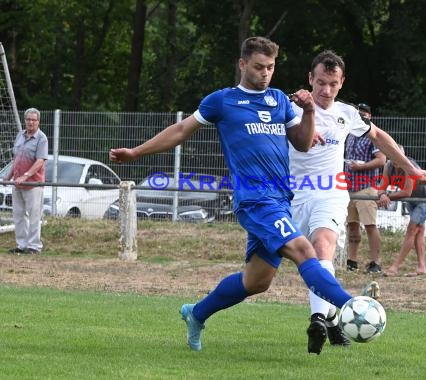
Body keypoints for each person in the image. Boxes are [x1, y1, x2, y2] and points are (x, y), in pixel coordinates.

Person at [109, 36, 358, 353]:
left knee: (257, 281)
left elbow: (303, 143)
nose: (265, 73)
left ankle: (196, 314)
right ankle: (351, 306)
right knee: (305, 251)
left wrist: (308, 111)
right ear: (242, 65)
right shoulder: (222, 101)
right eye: (258, 67)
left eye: (270, 67)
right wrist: (136, 152)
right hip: (255, 200)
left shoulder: (280, 101)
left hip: (281, 199)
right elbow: (181, 130)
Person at [288, 50, 426, 355]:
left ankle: (318, 318)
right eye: (320, 83)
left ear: (341, 83)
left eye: (332, 84)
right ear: (310, 79)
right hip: (293, 194)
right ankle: (329, 318)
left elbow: (379, 137)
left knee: (323, 246)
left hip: (330, 192)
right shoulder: (290, 107)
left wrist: (410, 169)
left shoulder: (348, 113)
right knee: (260, 275)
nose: (326, 90)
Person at [378, 145, 426, 277]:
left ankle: (395, 267)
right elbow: (382, 186)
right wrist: (382, 195)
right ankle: (421, 267)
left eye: (399, 156)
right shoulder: (388, 166)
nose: (396, 160)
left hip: (425, 197)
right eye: (393, 156)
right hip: (411, 198)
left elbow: (407, 191)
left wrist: (387, 196)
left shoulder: (408, 165)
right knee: (419, 229)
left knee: (412, 228)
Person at [345, 103, 385, 274]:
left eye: (364, 114)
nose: (361, 116)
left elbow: (381, 159)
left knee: (370, 225)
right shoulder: (350, 134)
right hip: (348, 186)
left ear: (370, 117)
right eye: (359, 113)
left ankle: (375, 262)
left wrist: (361, 167)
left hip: (366, 186)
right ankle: (352, 261)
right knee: (352, 225)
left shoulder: (372, 136)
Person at [4, 108, 48, 255]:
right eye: (28, 119)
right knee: (18, 215)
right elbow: (16, 159)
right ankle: (21, 245)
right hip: (17, 183)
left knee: (34, 216)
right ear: (25, 120)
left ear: (38, 122)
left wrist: (26, 175)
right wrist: (8, 176)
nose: (30, 122)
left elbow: (40, 161)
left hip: (33, 184)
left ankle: (34, 247)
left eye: (33, 120)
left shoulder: (42, 138)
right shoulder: (20, 136)